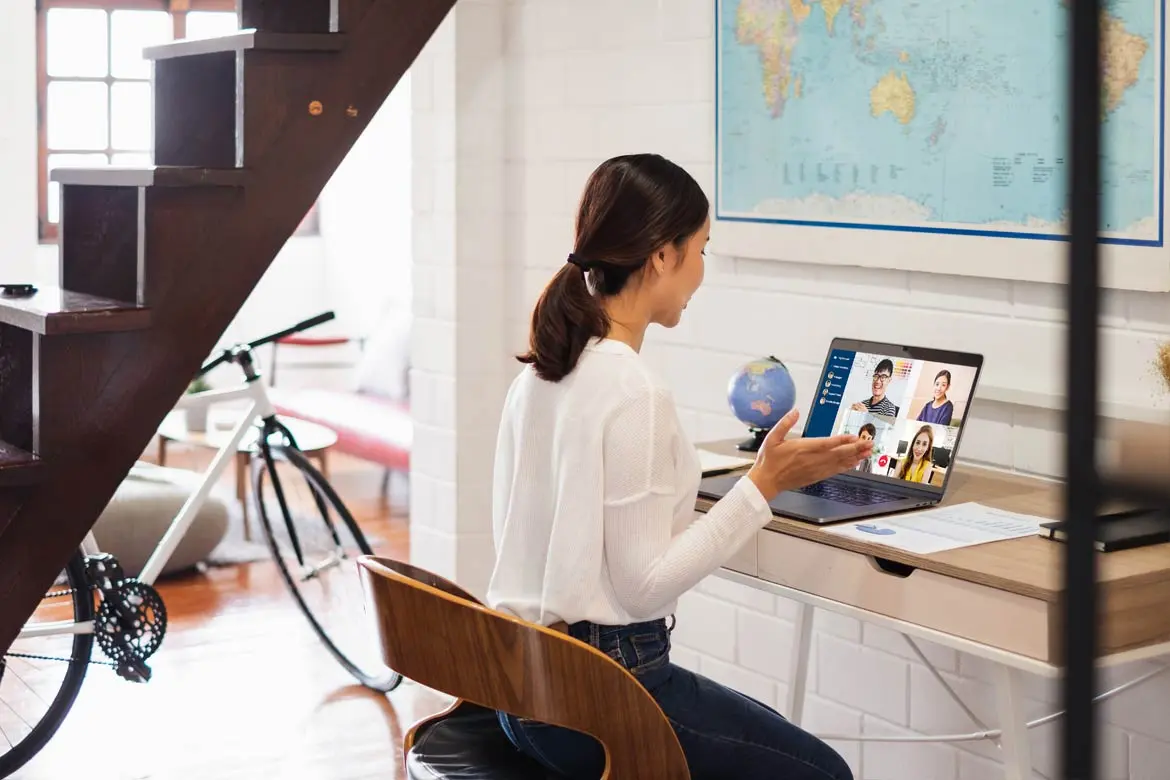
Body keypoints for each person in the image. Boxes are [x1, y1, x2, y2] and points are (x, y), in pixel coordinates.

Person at [486, 153, 871, 780]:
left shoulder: (541, 373)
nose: (700, 274)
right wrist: (762, 485)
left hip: (522, 690)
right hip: (598, 696)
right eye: (701, 250)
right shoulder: (633, 390)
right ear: (662, 255)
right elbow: (645, 587)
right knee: (824, 773)